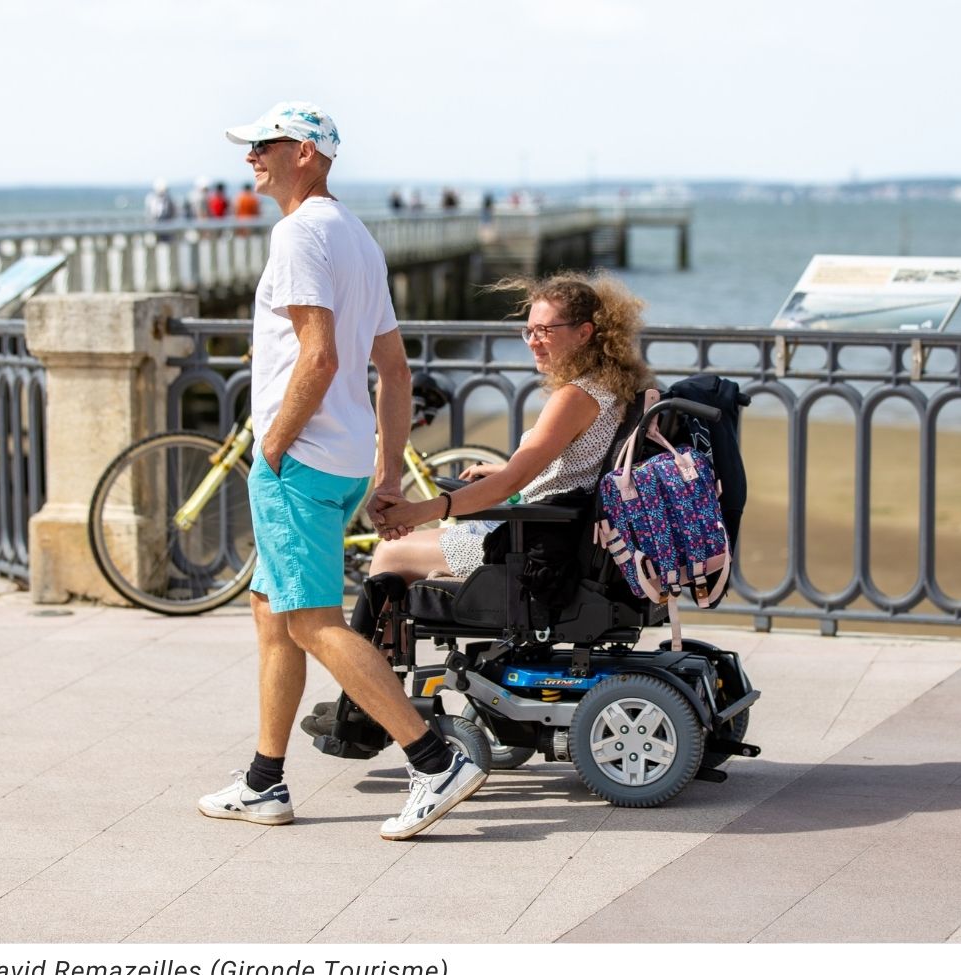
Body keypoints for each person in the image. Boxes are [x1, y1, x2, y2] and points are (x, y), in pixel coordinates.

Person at [197, 101, 486, 841]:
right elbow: (392, 366)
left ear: (303, 152)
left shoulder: (298, 233)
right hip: (345, 459)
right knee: (274, 616)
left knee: (313, 623)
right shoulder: (355, 235)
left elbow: (322, 356)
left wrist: (273, 444)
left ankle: (432, 759)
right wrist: (388, 475)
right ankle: (266, 782)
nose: (250, 158)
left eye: (262, 146)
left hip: (299, 461)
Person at [302, 272, 654, 735]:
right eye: (529, 330)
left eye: (545, 331)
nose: (534, 341)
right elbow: (574, 469)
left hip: (538, 550)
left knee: (389, 554)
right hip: (558, 533)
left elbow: (516, 476)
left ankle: (366, 708)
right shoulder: (613, 388)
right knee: (427, 545)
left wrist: (421, 510)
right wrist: (509, 479)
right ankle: (370, 699)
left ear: (585, 332)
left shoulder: (576, 395)